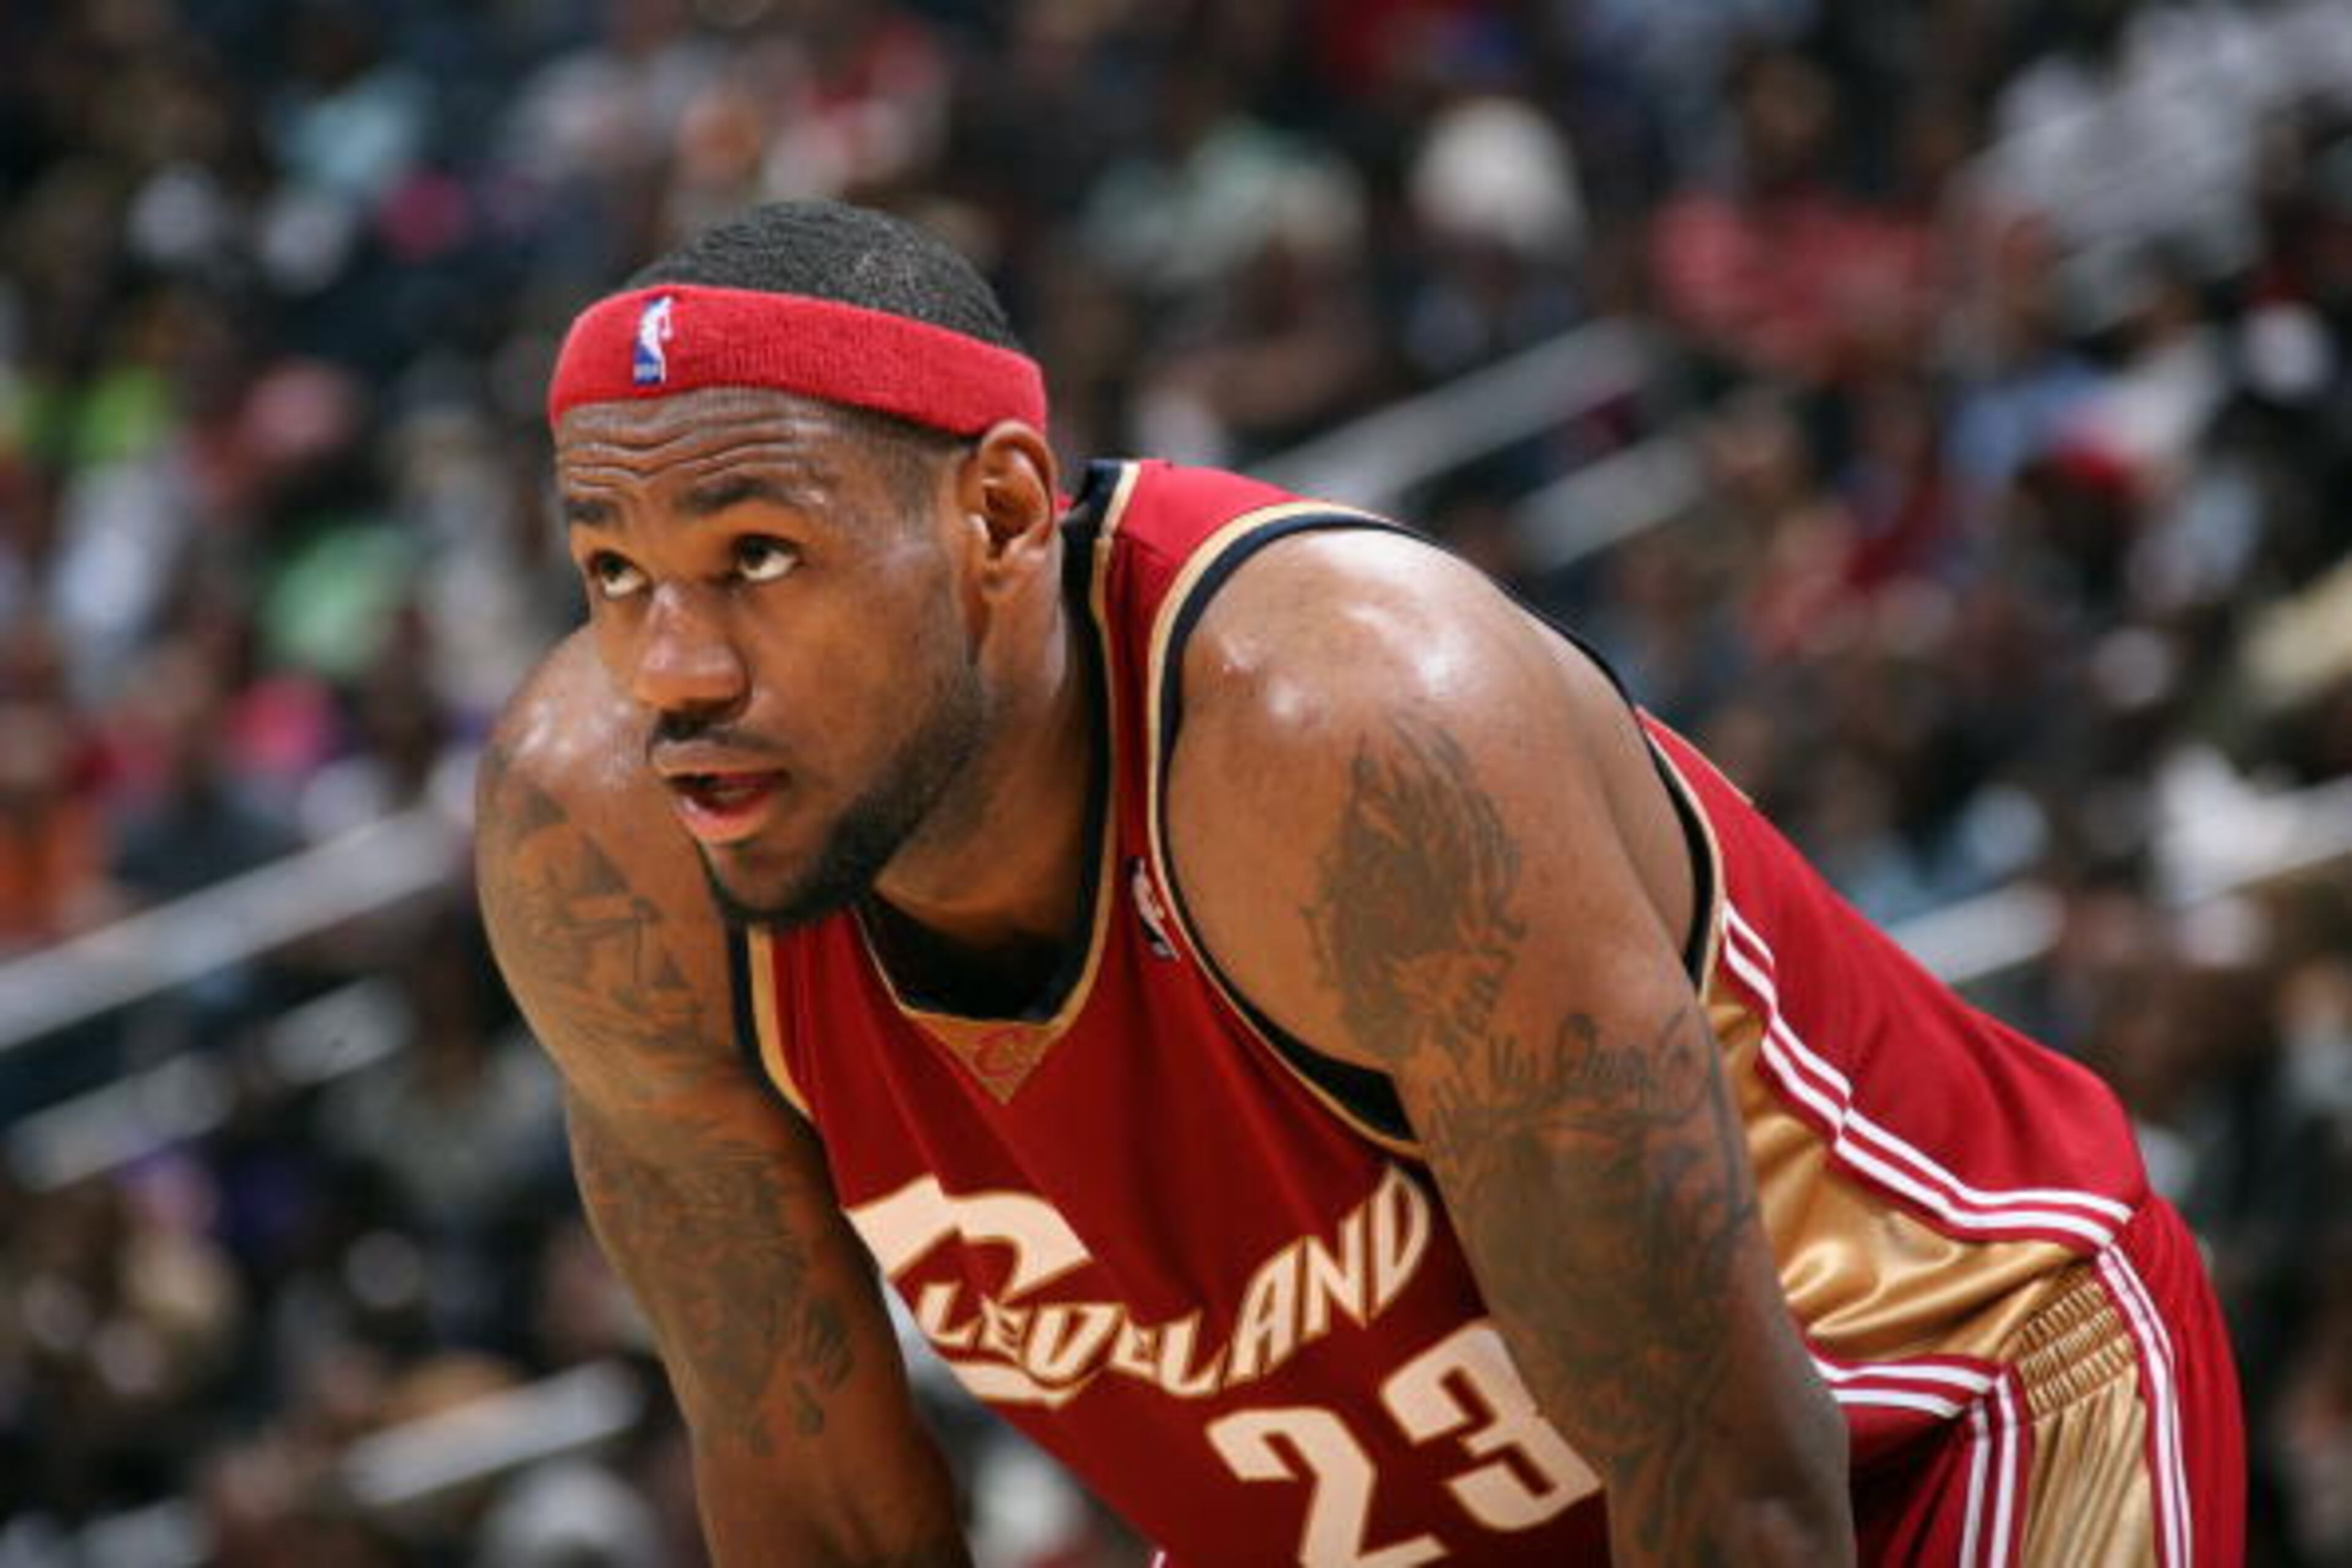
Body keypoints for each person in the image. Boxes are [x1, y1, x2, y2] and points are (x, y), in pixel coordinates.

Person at [474, 200, 2245, 1567]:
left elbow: (1736, 1493)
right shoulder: (609, 850)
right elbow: (826, 1521)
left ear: (1000, 518)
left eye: (757, 555)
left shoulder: (1344, 743)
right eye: (614, 570)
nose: (672, 666)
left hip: (1917, 1434)